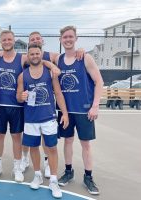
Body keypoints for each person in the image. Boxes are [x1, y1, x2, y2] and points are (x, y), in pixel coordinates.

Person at [20, 31, 85, 178]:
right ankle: (25, 159)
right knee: (29, 138)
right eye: (32, 39)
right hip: (28, 106)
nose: (35, 40)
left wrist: (80, 50)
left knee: (47, 139)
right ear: (29, 44)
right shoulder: (25, 57)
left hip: (46, 109)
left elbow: (68, 56)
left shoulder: (53, 55)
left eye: (37, 38)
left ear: (42, 42)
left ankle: (47, 162)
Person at [55, 26, 103, 195]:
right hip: (66, 111)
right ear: (60, 39)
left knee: (85, 145)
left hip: (84, 110)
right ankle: (68, 172)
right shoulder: (58, 60)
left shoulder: (85, 58)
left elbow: (99, 81)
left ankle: (88, 177)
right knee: (67, 141)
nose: (67, 39)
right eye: (64, 37)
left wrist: (95, 105)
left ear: (76, 39)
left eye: (70, 37)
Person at [17, 43, 69, 199]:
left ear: (41, 54)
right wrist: (22, 96)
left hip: (48, 117)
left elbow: (58, 93)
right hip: (31, 119)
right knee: (33, 148)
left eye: (37, 53)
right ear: (28, 56)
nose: (34, 56)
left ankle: (53, 180)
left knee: (51, 148)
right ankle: (38, 175)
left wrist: (64, 113)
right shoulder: (22, 75)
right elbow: (18, 97)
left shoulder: (49, 73)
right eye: (31, 54)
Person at [0, 30, 25, 182]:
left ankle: (17, 168)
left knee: (17, 137)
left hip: (17, 106)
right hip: (1, 105)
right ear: (0, 41)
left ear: (14, 40)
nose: (6, 42)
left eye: (9, 39)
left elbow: (40, 60)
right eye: (4, 40)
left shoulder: (22, 58)